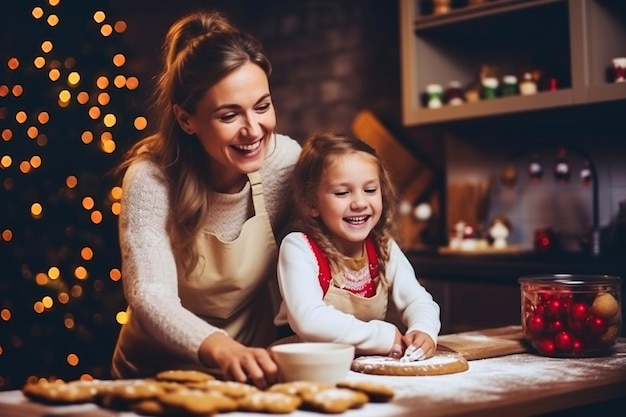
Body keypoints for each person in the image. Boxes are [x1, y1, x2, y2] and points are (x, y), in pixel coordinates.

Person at [110, 9, 301, 389]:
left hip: (250, 375)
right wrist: (223, 349)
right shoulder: (150, 179)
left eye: (262, 107)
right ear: (186, 120)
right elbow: (149, 296)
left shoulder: (285, 163)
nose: (253, 130)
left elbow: (327, 253)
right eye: (230, 115)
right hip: (156, 377)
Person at [274, 131, 440, 361]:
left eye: (370, 190)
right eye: (342, 193)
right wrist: (382, 336)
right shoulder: (299, 248)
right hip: (304, 366)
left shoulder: (383, 248)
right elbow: (309, 319)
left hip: (356, 365)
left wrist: (423, 329)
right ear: (312, 203)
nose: (360, 203)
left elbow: (418, 300)